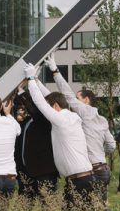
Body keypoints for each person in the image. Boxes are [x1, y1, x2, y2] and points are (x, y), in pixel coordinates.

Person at [25, 63, 120, 211]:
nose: (48, 112)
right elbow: (51, 98)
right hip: (78, 179)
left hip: (82, 179)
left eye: (52, 108)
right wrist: (37, 81)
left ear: (56, 107)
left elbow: (43, 104)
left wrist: (31, 80)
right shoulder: (71, 117)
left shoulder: (63, 119)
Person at [45, 55, 116, 200]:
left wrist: (55, 71)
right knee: (99, 210)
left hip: (91, 171)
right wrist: (100, 155)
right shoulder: (102, 119)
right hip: (103, 168)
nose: (75, 102)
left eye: (79, 99)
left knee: (85, 209)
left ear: (86, 100)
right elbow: (111, 145)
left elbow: (67, 95)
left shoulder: (84, 112)